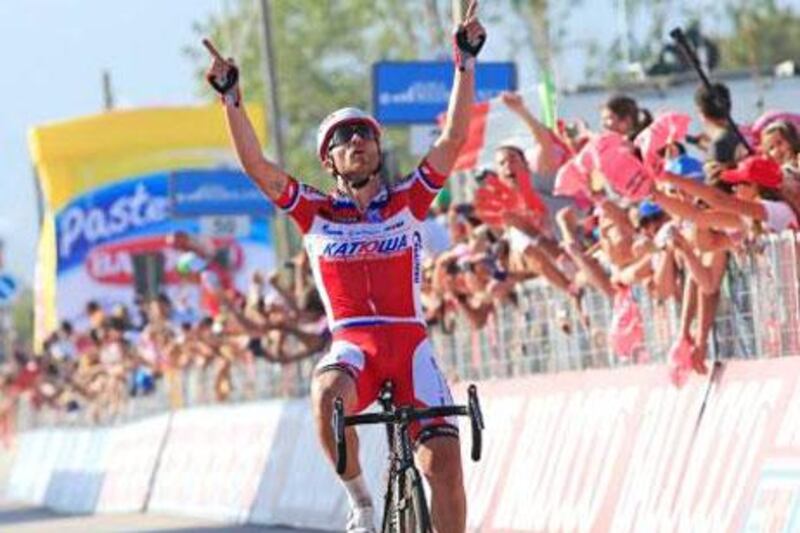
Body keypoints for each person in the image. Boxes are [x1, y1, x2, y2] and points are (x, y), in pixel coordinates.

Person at [203, 2, 486, 530]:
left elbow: (452, 140)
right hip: (353, 345)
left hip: (410, 346)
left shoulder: (408, 200)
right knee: (325, 393)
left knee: (444, 466)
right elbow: (257, 167)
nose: (356, 141)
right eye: (342, 139)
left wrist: (464, 64)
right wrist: (231, 100)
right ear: (327, 161)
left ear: (378, 149)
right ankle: (358, 500)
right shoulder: (315, 211)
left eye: (365, 135)